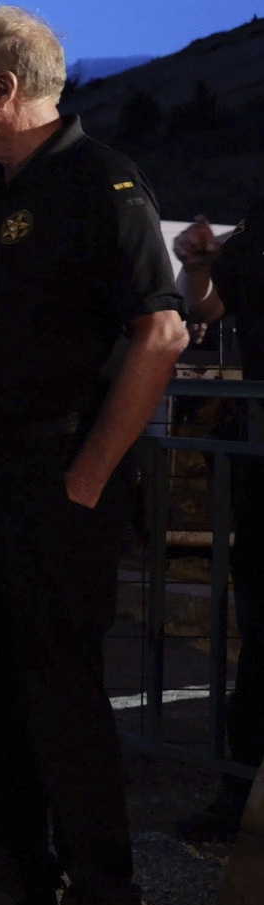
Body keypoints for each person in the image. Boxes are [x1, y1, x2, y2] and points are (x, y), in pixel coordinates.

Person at [0, 6, 187, 905]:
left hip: (50, 481)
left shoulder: (96, 180)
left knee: (59, 701)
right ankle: (13, 880)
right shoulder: (0, 187)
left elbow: (162, 334)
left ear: (7, 89)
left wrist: (87, 475)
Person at [173, 214, 264, 841]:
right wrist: (200, 265)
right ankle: (242, 794)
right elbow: (206, 303)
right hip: (261, 462)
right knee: (258, 641)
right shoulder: (257, 225)